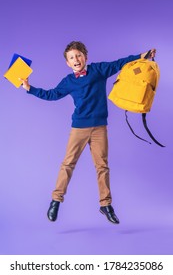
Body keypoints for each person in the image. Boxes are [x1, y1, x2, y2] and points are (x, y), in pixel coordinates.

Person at [20, 41, 156, 224]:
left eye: (78, 55)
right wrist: (30, 88)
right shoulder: (68, 82)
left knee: (102, 166)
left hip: (100, 128)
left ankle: (105, 205)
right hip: (79, 128)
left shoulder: (98, 70)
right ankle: (56, 201)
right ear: (68, 63)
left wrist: (142, 56)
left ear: (85, 57)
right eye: (71, 58)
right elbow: (51, 94)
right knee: (68, 164)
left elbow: (119, 63)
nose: (76, 59)